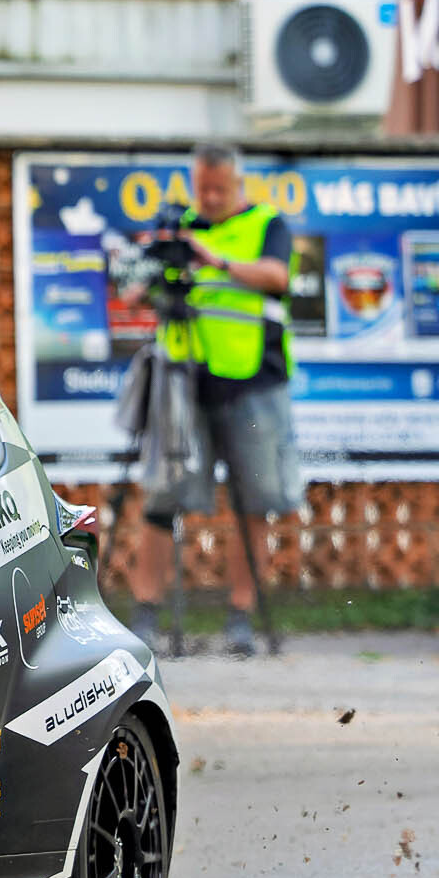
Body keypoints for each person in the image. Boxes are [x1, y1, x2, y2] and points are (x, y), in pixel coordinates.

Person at [128, 142, 304, 657]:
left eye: (218, 189)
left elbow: (278, 277)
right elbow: (136, 293)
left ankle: (241, 617)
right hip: (182, 384)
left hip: (254, 384)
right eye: (201, 188)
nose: (207, 198)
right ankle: (145, 615)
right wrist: (149, 271)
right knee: (162, 496)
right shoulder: (177, 229)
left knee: (255, 501)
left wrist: (215, 259)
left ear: (237, 183)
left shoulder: (267, 224)